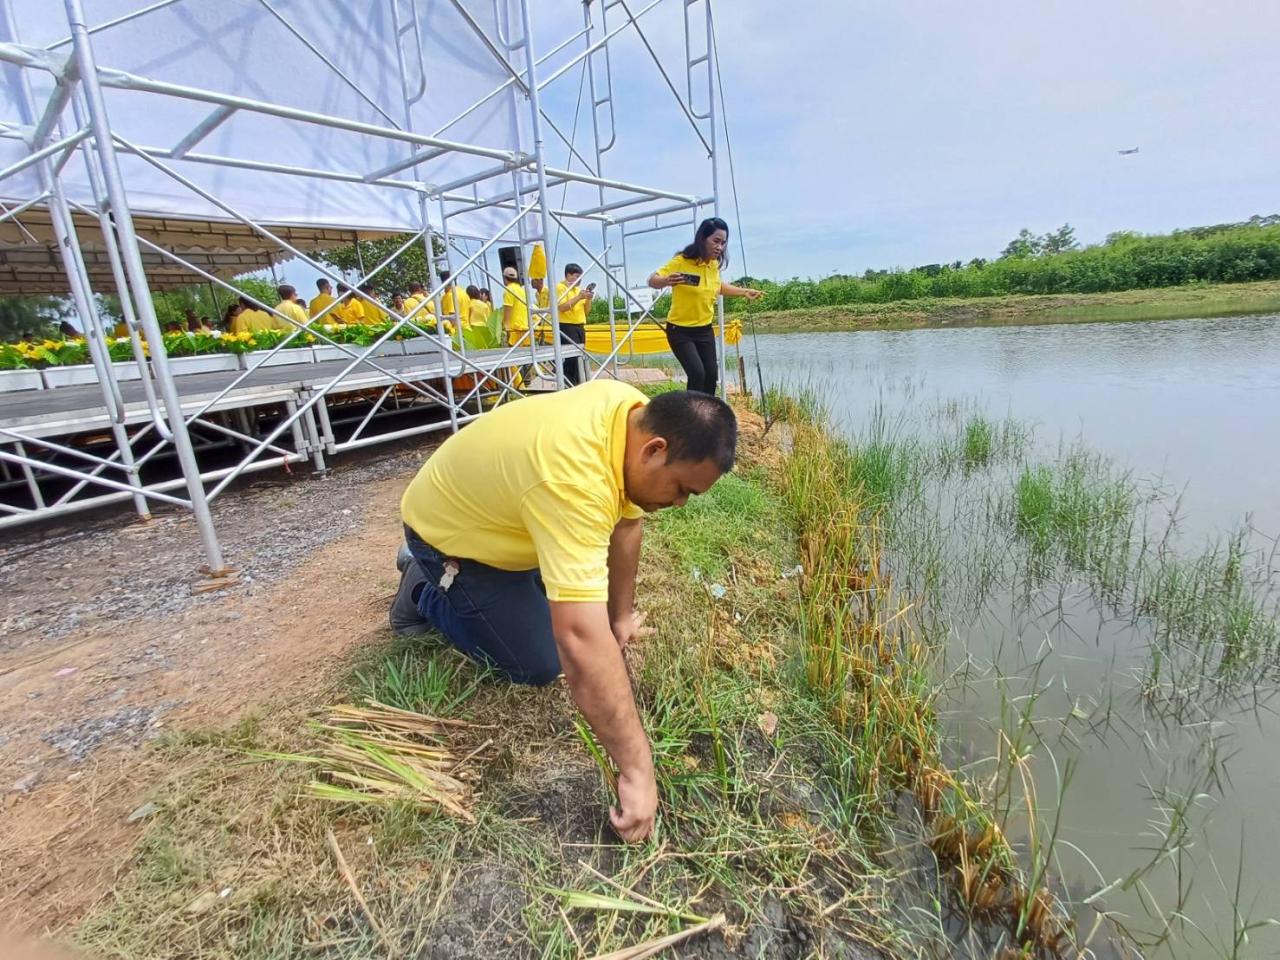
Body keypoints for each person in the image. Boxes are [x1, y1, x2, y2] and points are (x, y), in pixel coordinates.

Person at [392, 383, 738, 843]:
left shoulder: (632, 414)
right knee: (539, 661)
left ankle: (458, 573)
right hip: (449, 535)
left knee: (569, 595)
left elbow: (627, 520)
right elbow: (577, 638)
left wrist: (620, 616)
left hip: (506, 515)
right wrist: (638, 770)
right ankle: (422, 585)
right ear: (655, 450)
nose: (678, 504)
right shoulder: (573, 478)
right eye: (681, 490)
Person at [648, 217, 763, 394]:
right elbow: (652, 280)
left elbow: (717, 287)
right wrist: (666, 280)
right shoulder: (681, 261)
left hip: (704, 330)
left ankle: (707, 416)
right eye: (716, 241)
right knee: (697, 373)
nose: (720, 247)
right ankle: (692, 417)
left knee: (711, 376)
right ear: (702, 238)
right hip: (680, 330)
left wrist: (744, 291)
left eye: (723, 243)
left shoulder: (713, 265)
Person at [555, 263, 594, 385]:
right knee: (571, 359)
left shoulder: (578, 290)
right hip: (567, 326)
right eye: (577, 276)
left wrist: (588, 299)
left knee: (580, 357)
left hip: (579, 326)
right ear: (568, 275)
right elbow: (562, 307)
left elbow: (586, 311)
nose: (579, 280)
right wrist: (579, 297)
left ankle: (579, 382)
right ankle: (568, 383)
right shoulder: (560, 288)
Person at [501, 265, 530, 346]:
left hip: (514, 330)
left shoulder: (508, 290)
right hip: (524, 327)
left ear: (504, 278)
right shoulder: (522, 290)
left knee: (514, 356)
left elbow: (507, 310)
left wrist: (506, 328)